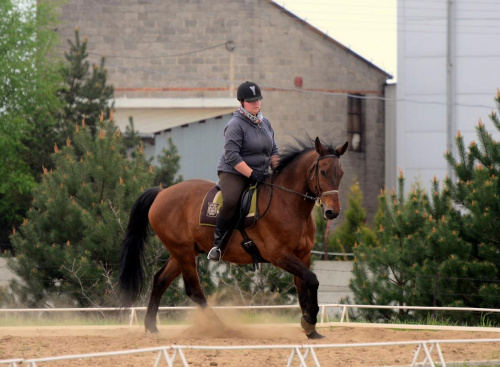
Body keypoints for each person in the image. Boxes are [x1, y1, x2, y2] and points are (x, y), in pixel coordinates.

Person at [207, 81, 280, 261]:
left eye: (258, 100)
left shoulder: (266, 123)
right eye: (251, 101)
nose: (256, 103)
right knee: (231, 201)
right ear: (241, 102)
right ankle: (217, 244)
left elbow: (274, 152)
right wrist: (251, 173)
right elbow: (232, 156)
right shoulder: (235, 124)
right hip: (234, 172)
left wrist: (278, 170)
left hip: (261, 172)